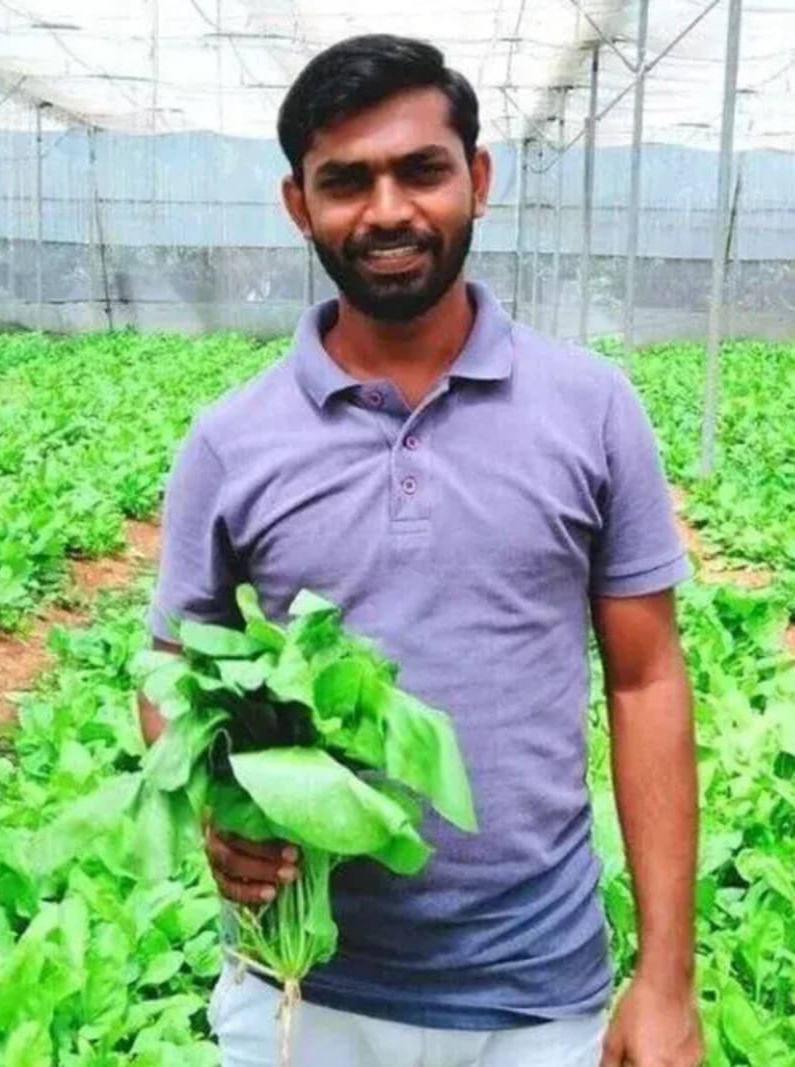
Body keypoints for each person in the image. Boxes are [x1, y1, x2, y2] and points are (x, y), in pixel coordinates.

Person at [140, 34, 704, 1067]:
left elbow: (645, 678)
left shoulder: (591, 407)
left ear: (476, 181)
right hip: (299, 988)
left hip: (534, 991)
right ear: (297, 204)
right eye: (344, 180)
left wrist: (666, 972)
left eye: (420, 169)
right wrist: (217, 808)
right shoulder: (231, 440)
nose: (387, 210)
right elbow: (174, 663)